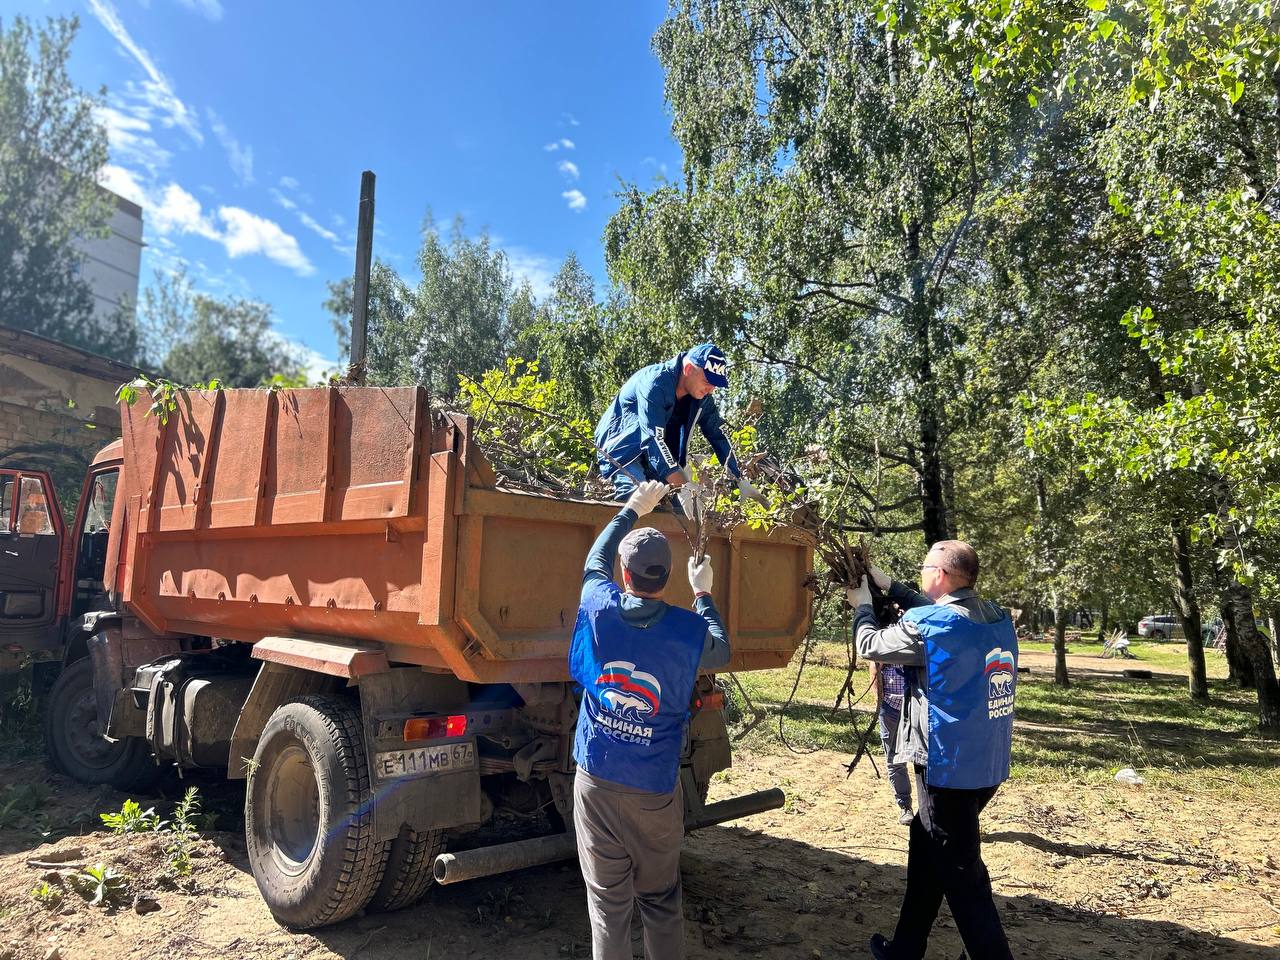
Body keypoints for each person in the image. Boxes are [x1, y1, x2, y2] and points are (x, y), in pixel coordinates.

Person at [569, 479, 731, 960]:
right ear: (667, 578)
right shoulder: (686, 628)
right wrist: (702, 594)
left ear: (625, 572)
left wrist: (631, 510)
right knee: (660, 900)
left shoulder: (599, 607)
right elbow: (720, 651)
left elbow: (591, 563)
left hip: (596, 779)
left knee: (607, 904)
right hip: (655, 789)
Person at [849, 541, 1017, 960]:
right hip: (987, 762)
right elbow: (934, 609)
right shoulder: (996, 616)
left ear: (939, 574)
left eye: (925, 568)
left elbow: (869, 645)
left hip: (947, 767)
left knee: (963, 877)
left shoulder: (931, 625)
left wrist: (862, 604)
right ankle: (905, 949)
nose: (922, 575)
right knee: (927, 854)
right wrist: (889, 585)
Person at [593, 343, 763, 506]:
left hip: (656, 456)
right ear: (688, 369)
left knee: (678, 516)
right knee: (637, 498)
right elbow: (652, 438)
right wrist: (685, 486)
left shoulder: (702, 399)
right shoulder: (654, 383)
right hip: (623, 451)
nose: (711, 389)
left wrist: (739, 478)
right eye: (708, 381)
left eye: (715, 384)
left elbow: (717, 434)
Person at [868, 657, 914, 825]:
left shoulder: (917, 633)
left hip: (916, 705)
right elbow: (874, 665)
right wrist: (879, 699)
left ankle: (931, 810)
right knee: (894, 759)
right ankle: (905, 807)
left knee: (926, 757)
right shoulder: (885, 634)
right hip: (890, 706)